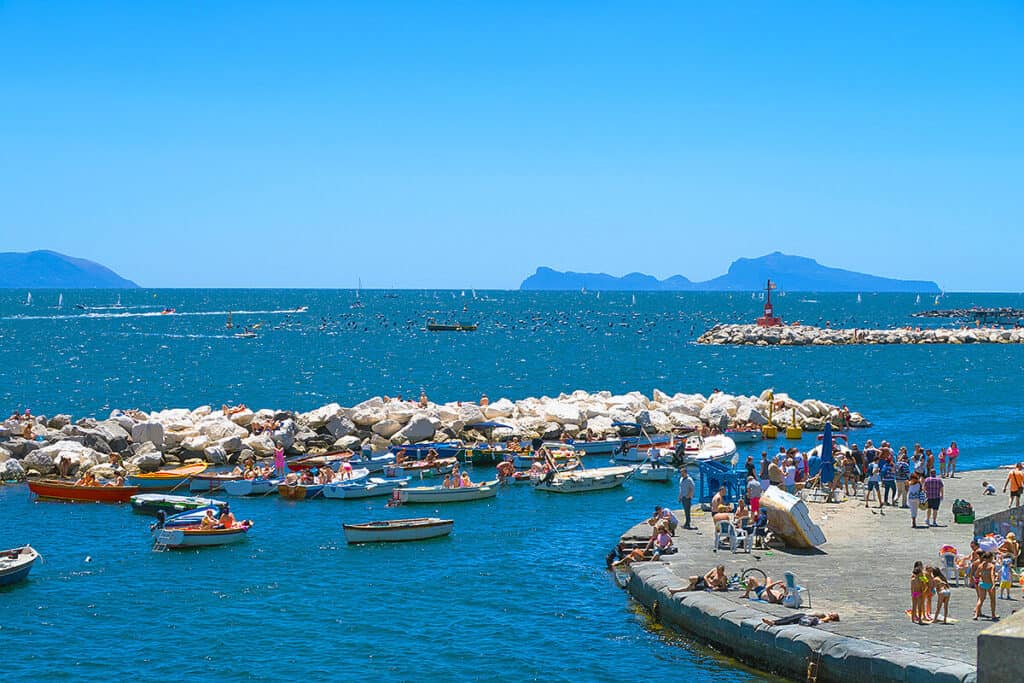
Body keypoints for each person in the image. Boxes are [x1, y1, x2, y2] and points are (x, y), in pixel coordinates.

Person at [974, 552, 997, 620]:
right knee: (992, 600)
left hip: (982, 584)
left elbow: (976, 575)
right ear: (990, 558)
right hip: (989, 584)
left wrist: (981, 575)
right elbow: (992, 575)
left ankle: (976, 615)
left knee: (981, 599)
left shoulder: (980, 565)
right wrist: (994, 584)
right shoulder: (992, 566)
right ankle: (993, 615)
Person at [762, 612, 840, 627]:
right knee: (788, 618)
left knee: (789, 620)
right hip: (805, 617)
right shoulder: (825, 616)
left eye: (832, 613)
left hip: (807, 619)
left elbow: (820, 621)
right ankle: (774, 621)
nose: (830, 612)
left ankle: (774, 623)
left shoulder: (827, 619)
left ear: (832, 617)